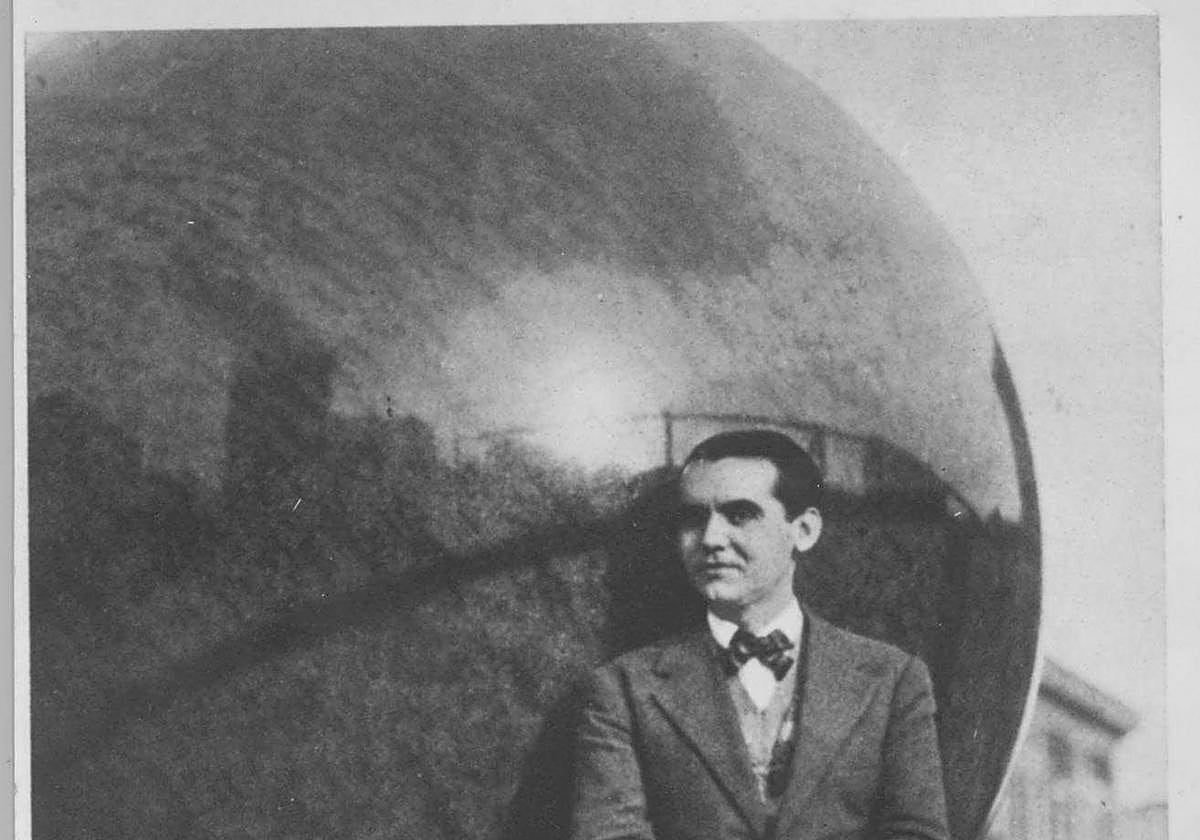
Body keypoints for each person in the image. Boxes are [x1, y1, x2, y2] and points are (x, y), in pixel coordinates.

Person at [569, 430, 949, 840]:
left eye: (740, 515)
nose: (711, 539)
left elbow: (917, 834)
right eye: (694, 518)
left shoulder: (893, 681)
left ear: (804, 530)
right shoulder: (622, 690)